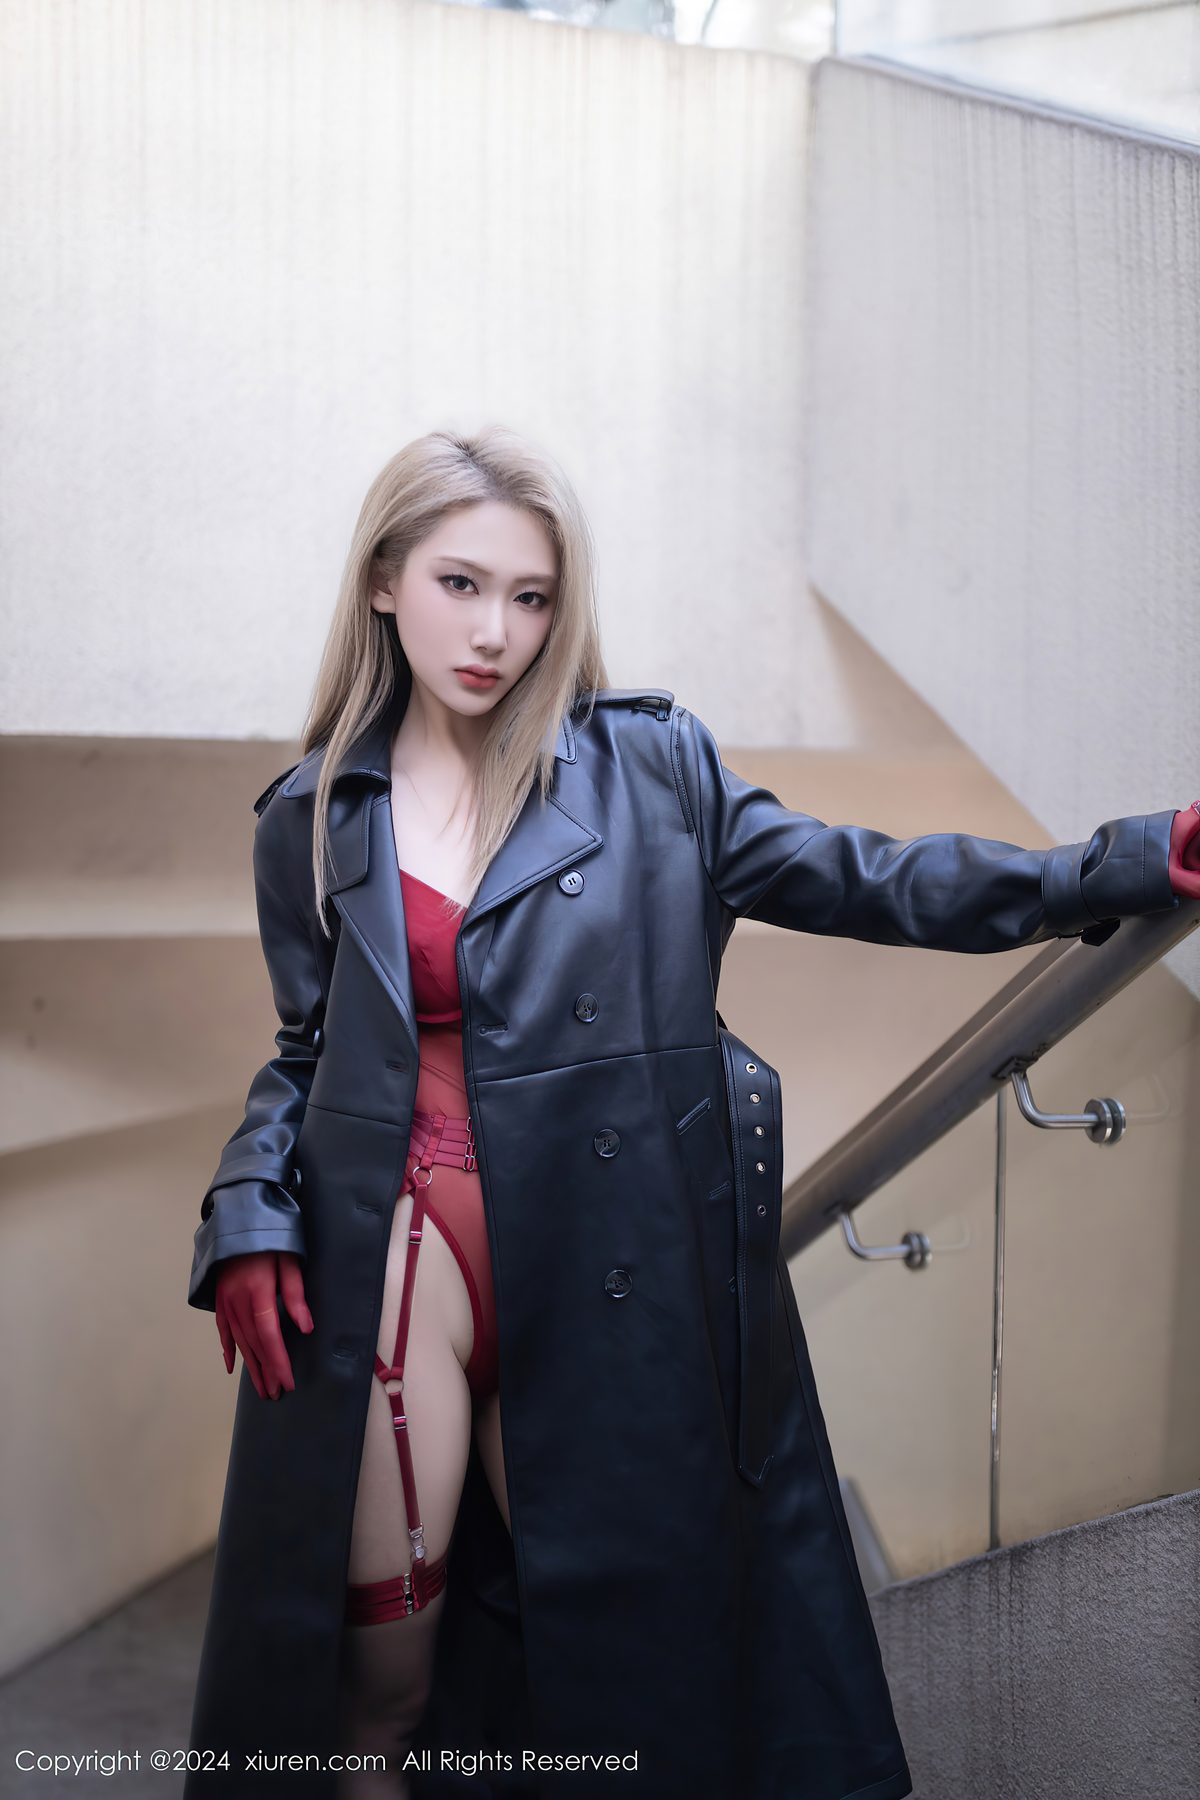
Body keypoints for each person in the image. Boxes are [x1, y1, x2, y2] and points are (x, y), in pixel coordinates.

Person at [189, 425, 1200, 1799]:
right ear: (382, 581)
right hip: (400, 1253)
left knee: (631, 1670)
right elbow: (305, 1052)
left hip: (606, 1265)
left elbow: (861, 875)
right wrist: (248, 1212)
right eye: (460, 584)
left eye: (531, 596)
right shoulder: (312, 815)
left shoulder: (647, 767)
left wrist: (1112, 866)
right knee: (383, 1678)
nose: (494, 632)